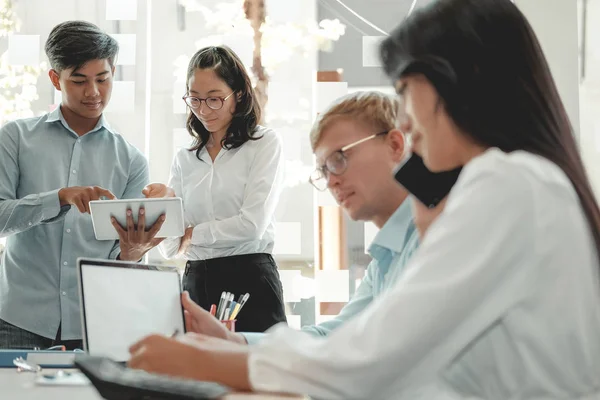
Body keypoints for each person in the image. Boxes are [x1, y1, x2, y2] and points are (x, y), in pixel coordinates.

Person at [128, 0, 600, 398]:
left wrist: (210, 362)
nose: (407, 121)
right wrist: (235, 350)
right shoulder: (521, 183)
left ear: (455, 84)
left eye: (405, 91)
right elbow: (352, 342)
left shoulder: (507, 184)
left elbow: (375, 357)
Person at [170, 91, 425, 346]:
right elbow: (336, 335)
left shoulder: (432, 239)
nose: (331, 180)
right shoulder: (384, 259)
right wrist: (235, 342)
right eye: (323, 170)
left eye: (339, 158)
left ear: (395, 145)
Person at [0, 21, 163, 350]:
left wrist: (132, 253)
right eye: (79, 80)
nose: (93, 92)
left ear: (113, 72)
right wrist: (59, 198)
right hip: (18, 319)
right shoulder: (14, 138)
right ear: (55, 78)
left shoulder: (131, 160)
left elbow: (125, 260)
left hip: (93, 324)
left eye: (102, 79)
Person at [143, 46, 286, 333]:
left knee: (255, 372)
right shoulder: (185, 158)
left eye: (215, 99)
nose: (204, 110)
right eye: (194, 99)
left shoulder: (263, 144)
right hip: (196, 281)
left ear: (240, 95)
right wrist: (169, 205)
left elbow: (251, 226)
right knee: (196, 373)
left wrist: (192, 233)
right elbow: (172, 247)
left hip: (250, 278)